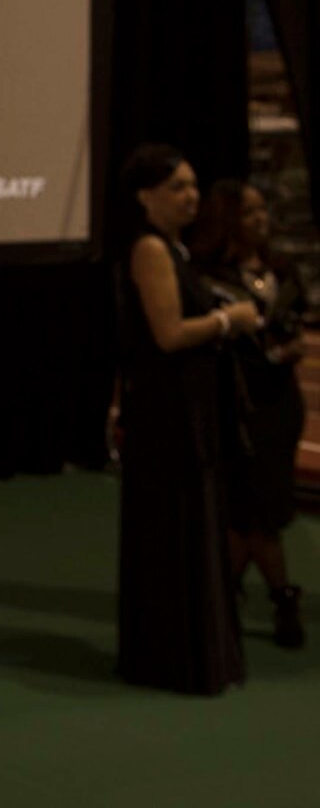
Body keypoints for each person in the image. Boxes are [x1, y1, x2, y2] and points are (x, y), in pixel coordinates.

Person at [114, 144, 258, 694]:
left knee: (193, 525)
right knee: (172, 529)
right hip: (166, 418)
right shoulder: (151, 249)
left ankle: (193, 654)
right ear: (145, 196)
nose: (191, 196)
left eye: (193, 185)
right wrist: (228, 320)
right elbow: (169, 334)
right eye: (177, 187)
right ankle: (171, 659)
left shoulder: (175, 248)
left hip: (188, 411)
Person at [190, 179, 307, 648]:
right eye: (249, 212)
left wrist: (291, 346)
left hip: (281, 402)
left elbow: (296, 320)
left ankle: (226, 592)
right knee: (253, 511)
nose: (261, 220)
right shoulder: (209, 276)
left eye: (263, 210)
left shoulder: (282, 269)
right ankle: (282, 597)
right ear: (228, 220)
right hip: (238, 402)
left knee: (255, 511)